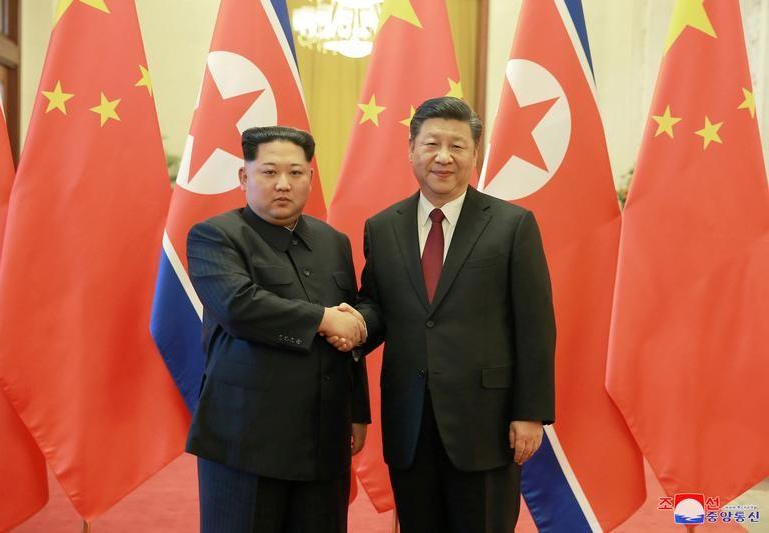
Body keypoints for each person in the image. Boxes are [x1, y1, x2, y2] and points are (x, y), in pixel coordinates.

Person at [350, 97, 556, 532]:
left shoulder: (511, 224)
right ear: (411, 150)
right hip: (409, 419)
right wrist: (347, 326)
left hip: (487, 421)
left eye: (457, 146)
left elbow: (535, 326)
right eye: (432, 144)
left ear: (475, 154)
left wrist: (531, 412)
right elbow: (378, 306)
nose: (443, 157)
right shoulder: (383, 227)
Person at [185, 126, 370, 533]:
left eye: (296, 173)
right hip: (245, 439)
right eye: (269, 172)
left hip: (322, 437)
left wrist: (356, 412)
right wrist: (322, 319)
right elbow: (239, 306)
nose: (283, 184)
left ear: (309, 176)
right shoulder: (215, 236)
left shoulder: (333, 241)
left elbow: (349, 322)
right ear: (244, 177)